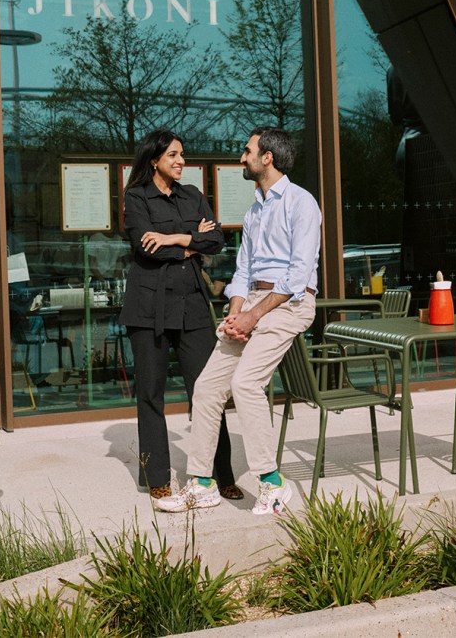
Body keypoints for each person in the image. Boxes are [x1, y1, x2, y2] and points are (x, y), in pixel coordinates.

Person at [155, 126, 321, 516]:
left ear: (268, 157)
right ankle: (201, 483)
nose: (241, 157)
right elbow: (243, 271)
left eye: (247, 151)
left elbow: (298, 277)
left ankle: (273, 484)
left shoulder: (301, 203)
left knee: (246, 383)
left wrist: (252, 315)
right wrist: (235, 313)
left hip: (290, 304)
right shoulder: (254, 211)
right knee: (207, 388)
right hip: (254, 304)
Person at [119, 129, 241, 501]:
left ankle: (223, 475)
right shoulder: (135, 197)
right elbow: (145, 246)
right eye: (173, 155)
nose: (181, 161)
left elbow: (217, 240)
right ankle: (156, 476)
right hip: (147, 308)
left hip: (191, 307)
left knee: (207, 392)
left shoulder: (193, 195)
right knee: (151, 395)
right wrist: (192, 239)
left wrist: (173, 237)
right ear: (154, 159)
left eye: (182, 155)